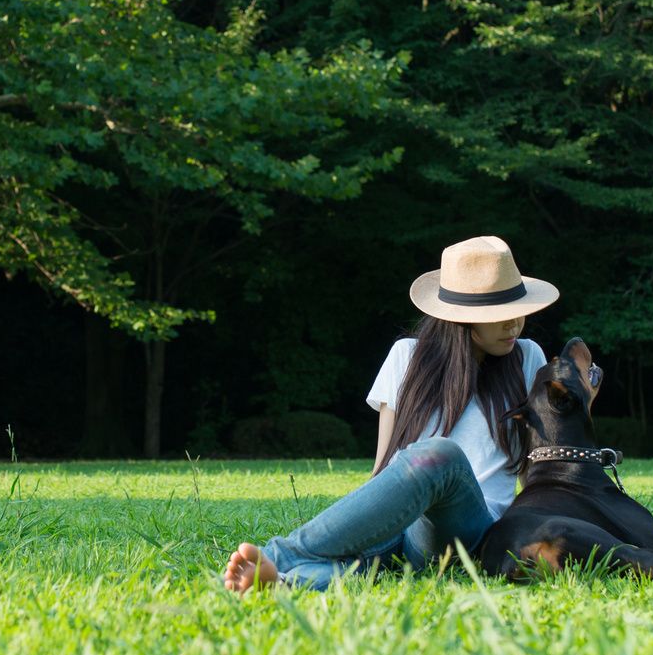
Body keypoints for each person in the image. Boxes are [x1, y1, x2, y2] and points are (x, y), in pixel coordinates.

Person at [221, 235, 559, 592]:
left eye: (517, 310)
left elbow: (536, 470)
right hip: (405, 524)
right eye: (499, 315)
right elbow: (384, 467)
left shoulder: (527, 357)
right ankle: (283, 582)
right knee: (355, 564)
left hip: (472, 529)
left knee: (439, 454)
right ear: (461, 318)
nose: (514, 324)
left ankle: (281, 554)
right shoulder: (406, 356)